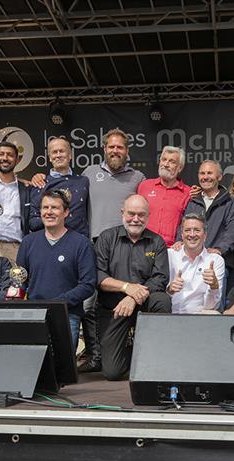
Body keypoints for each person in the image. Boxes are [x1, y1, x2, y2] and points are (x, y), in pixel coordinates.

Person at [78, 128, 146, 373]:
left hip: (125, 246)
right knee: (88, 304)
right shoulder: (88, 174)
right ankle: (95, 354)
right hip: (93, 245)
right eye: (111, 147)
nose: (115, 151)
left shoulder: (138, 178)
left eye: (120, 147)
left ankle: (127, 353)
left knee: (121, 299)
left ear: (127, 151)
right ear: (104, 149)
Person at [94, 195, 172, 380]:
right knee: (112, 372)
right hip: (114, 308)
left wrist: (132, 297)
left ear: (148, 216)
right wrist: (126, 288)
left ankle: (155, 359)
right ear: (122, 213)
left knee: (162, 300)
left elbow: (160, 279)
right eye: (131, 214)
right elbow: (98, 276)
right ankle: (130, 353)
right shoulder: (107, 238)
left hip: (143, 303)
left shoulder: (157, 242)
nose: (136, 219)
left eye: (141, 215)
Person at [16, 189, 96, 353]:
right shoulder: (28, 242)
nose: (49, 212)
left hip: (67, 316)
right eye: (45, 208)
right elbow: (20, 280)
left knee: (62, 371)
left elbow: (88, 285)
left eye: (55, 208)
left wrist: (58, 304)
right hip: (34, 315)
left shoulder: (81, 244)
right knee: (34, 368)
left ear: (66, 212)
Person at [176, 159, 234, 308]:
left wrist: (220, 250)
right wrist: (178, 241)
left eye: (210, 173)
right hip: (191, 261)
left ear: (219, 177)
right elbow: (182, 225)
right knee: (189, 304)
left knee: (213, 306)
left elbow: (233, 230)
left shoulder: (230, 202)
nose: (205, 177)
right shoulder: (192, 201)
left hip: (216, 261)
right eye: (202, 173)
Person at [28, 137, 90, 238]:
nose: (58, 155)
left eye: (61, 151)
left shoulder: (83, 182)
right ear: (49, 157)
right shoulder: (40, 184)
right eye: (54, 152)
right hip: (50, 244)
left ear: (70, 155)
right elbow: (33, 223)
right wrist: (53, 219)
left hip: (80, 243)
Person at [167, 213, 226, 313]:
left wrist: (214, 286)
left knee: (213, 314)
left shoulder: (216, 260)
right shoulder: (169, 255)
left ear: (205, 235)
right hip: (170, 313)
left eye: (197, 230)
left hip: (199, 316)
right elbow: (158, 294)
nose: (192, 234)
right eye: (187, 230)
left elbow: (211, 306)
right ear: (182, 234)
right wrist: (170, 289)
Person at [137, 145, 191, 246]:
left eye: (172, 161)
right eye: (164, 159)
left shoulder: (188, 192)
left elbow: (189, 222)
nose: (166, 164)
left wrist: (180, 241)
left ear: (179, 168)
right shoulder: (144, 186)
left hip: (171, 250)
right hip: (143, 246)